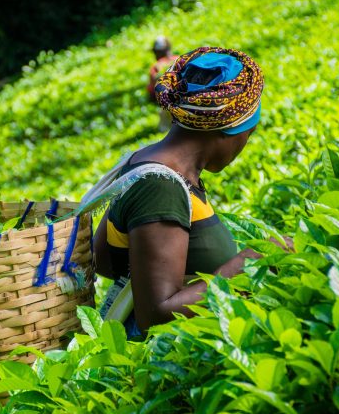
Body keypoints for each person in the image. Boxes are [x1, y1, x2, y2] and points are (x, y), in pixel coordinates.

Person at [88, 46, 271, 338]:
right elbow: (156, 315)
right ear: (229, 128)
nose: (246, 142)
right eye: (250, 132)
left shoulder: (145, 161)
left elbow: (106, 257)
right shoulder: (161, 185)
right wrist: (240, 268)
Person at [147, 37, 179, 132]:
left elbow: (152, 91)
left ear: (156, 53)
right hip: (187, 101)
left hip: (168, 105)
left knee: (164, 131)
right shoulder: (180, 59)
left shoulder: (156, 67)